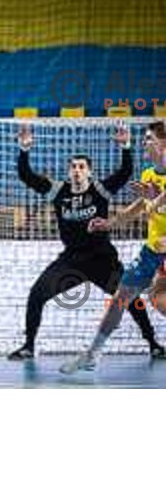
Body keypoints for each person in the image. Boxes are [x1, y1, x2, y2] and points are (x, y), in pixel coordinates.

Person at [8, 122, 165, 361]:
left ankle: (153, 343)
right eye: (73, 167)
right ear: (68, 172)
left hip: (103, 260)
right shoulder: (58, 191)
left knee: (130, 299)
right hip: (71, 261)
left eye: (81, 167)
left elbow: (124, 173)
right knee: (36, 294)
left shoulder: (99, 189)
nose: (77, 171)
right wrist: (24, 149)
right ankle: (28, 346)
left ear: (89, 172)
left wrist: (125, 146)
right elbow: (26, 176)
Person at [61, 121, 166, 374]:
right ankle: (92, 353)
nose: (144, 142)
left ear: (164, 143)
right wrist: (110, 223)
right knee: (120, 298)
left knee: (158, 300)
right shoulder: (149, 175)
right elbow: (143, 207)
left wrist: (155, 201)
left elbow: (157, 205)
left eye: (149, 138)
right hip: (153, 251)